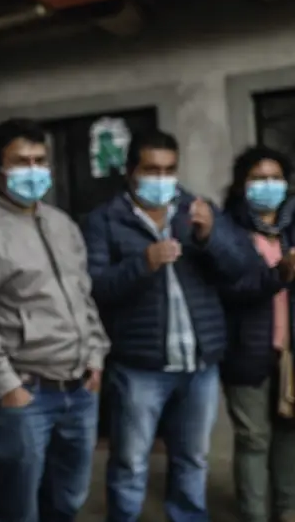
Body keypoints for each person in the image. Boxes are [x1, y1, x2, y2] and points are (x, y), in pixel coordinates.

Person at [0, 118, 109, 522]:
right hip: (25, 395)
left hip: (80, 389)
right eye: (21, 162)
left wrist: (96, 356)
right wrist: (8, 387)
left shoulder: (61, 224)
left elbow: (83, 297)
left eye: (40, 161)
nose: (33, 170)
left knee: (67, 501)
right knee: (19, 509)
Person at [82, 130, 249, 522]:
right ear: (131, 172)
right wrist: (144, 263)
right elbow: (94, 288)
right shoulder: (103, 220)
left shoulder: (197, 210)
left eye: (169, 169)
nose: (162, 178)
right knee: (130, 462)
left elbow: (240, 270)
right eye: (152, 169)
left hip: (199, 364)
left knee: (192, 458)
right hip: (140, 366)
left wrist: (210, 237)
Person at [219, 146, 295, 522]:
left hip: (289, 351)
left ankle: (287, 509)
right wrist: (278, 274)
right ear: (241, 185)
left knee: (289, 433)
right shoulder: (229, 231)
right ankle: (254, 515)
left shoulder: (291, 227)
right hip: (246, 349)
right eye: (258, 178)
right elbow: (231, 287)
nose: (269, 185)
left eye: (276, 177)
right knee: (253, 439)